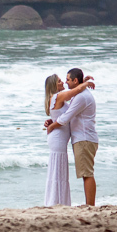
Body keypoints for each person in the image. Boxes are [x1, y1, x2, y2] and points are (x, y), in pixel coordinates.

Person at [44, 67, 99, 206]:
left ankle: (85, 205)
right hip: (64, 138)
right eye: (60, 81)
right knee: (60, 171)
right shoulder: (60, 96)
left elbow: (64, 117)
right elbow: (72, 96)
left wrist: (52, 124)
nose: (64, 82)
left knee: (82, 173)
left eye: (67, 79)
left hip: (81, 137)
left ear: (75, 80)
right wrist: (84, 83)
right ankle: (56, 201)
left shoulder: (77, 96)